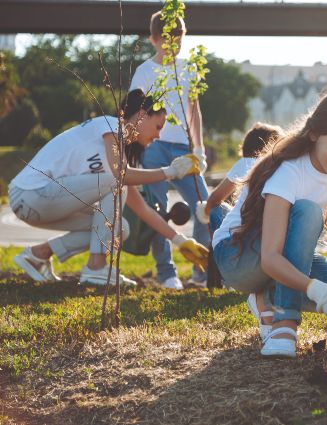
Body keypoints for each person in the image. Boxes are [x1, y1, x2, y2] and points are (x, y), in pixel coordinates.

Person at [212, 88, 327, 358]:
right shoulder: (290, 171)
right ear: (315, 133)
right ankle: (284, 323)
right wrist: (316, 290)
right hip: (237, 257)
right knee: (307, 211)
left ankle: (266, 298)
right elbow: (270, 258)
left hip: (280, 259)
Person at [10, 89, 209, 286]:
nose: (158, 136)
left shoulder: (114, 161)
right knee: (117, 183)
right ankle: (96, 268)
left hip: (41, 204)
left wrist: (180, 241)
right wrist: (171, 171)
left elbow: (143, 210)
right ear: (142, 116)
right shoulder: (110, 125)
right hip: (29, 194)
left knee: (120, 228)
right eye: (158, 126)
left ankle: (38, 255)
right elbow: (121, 176)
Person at [129, 10, 209, 290]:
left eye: (178, 37)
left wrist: (199, 149)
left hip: (184, 148)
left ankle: (202, 271)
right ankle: (166, 273)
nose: (173, 43)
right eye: (166, 38)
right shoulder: (144, 72)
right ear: (153, 39)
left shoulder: (190, 68)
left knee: (204, 206)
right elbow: (134, 114)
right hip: (153, 147)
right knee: (157, 209)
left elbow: (194, 110)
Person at [195, 122, 283, 289]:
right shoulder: (281, 167)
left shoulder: (247, 163)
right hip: (268, 242)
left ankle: (219, 266)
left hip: (240, 241)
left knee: (216, 210)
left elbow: (215, 199)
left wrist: (204, 212)